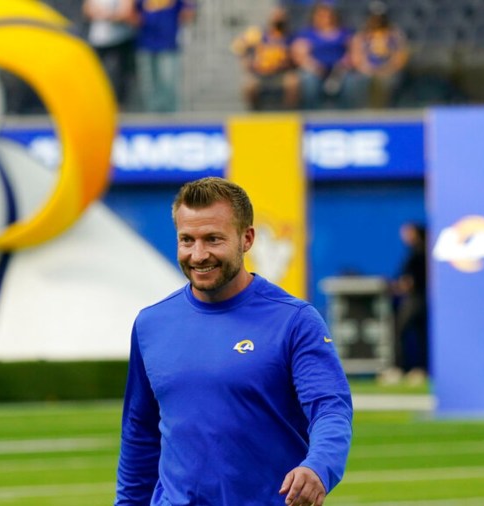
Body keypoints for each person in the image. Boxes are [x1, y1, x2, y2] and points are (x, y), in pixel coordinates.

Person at [115, 177, 353, 506]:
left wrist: (318, 467)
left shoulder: (294, 321)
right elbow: (139, 433)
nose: (198, 255)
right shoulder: (151, 324)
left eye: (213, 239)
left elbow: (330, 409)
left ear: (247, 238)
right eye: (187, 240)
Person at [383, 222, 428, 386]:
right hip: (419, 298)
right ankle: (419, 369)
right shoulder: (417, 251)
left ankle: (399, 368)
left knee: (400, 329)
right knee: (419, 334)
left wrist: (399, 287)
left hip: (416, 298)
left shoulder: (420, 252)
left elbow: (411, 280)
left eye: (408, 232)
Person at [290, 1, 359, 109]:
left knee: (350, 81)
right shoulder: (307, 34)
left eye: (328, 14)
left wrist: (343, 65)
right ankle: (312, 112)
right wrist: (314, 66)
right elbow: (299, 55)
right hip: (315, 71)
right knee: (309, 80)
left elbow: (354, 51)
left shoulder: (344, 32)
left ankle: (347, 115)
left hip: (339, 71)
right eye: (321, 15)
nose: (325, 18)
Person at [133, 0, 197, 113]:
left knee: (168, 84)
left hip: (168, 45)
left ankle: (170, 120)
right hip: (145, 44)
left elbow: (188, 14)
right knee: (148, 86)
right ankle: (151, 118)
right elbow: (132, 13)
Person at [231, 7, 300, 110]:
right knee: (249, 85)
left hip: (282, 73)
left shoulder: (290, 36)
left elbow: (297, 53)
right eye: (276, 17)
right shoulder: (258, 35)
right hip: (260, 73)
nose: (278, 20)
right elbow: (237, 46)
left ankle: (289, 112)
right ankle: (254, 113)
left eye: (281, 17)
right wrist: (246, 61)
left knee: (293, 82)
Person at [347, 1, 408, 109]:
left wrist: (386, 69)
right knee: (356, 81)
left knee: (390, 81)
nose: (377, 20)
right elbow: (356, 58)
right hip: (366, 71)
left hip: (389, 71)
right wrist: (368, 69)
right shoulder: (361, 35)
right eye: (374, 17)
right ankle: (361, 110)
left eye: (380, 17)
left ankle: (389, 110)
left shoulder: (394, 34)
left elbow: (400, 58)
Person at [83, 0, 138, 110]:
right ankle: (98, 105)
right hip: (98, 40)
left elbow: (126, 13)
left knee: (118, 76)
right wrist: (108, 15)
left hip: (119, 40)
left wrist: (107, 15)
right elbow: (87, 10)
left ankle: (118, 106)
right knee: (97, 75)